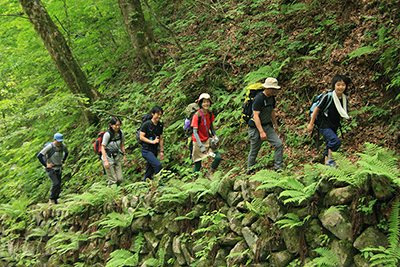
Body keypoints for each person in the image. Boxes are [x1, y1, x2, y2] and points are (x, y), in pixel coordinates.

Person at [307, 74, 351, 167]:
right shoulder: (328, 96)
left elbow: (342, 111)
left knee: (329, 145)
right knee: (335, 141)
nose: (340, 87)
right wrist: (311, 124)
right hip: (323, 124)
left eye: (343, 85)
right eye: (338, 84)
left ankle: (326, 169)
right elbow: (316, 109)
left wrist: (346, 119)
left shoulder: (344, 98)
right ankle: (331, 163)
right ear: (334, 85)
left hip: (334, 125)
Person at [247, 77, 283, 174]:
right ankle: (250, 170)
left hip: (267, 126)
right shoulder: (258, 98)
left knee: (279, 144)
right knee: (255, 150)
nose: (274, 91)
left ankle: (279, 168)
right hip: (255, 128)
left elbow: (271, 111)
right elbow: (256, 116)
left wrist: (275, 124)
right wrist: (261, 132)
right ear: (267, 88)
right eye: (272, 89)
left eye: (275, 89)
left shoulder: (271, 98)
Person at [191, 93, 221, 180]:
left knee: (217, 157)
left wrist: (215, 135)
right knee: (198, 165)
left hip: (207, 142)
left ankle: (210, 173)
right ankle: (193, 184)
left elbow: (211, 126)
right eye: (204, 102)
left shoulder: (210, 113)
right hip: (198, 143)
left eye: (207, 102)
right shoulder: (197, 116)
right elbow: (195, 132)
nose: (206, 104)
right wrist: (201, 146)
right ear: (200, 103)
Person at [37, 133, 69, 204]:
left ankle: (55, 200)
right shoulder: (49, 147)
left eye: (61, 141)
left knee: (59, 184)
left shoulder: (63, 146)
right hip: (51, 168)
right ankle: (51, 199)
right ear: (54, 140)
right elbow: (39, 156)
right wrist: (46, 165)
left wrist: (62, 161)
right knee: (55, 183)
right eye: (58, 142)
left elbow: (66, 153)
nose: (59, 143)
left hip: (58, 167)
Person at [140, 106, 165, 182]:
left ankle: (145, 185)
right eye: (157, 114)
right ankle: (160, 183)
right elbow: (141, 137)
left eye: (160, 114)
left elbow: (161, 138)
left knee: (149, 169)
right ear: (152, 114)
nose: (159, 116)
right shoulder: (146, 124)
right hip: (146, 150)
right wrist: (152, 142)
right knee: (157, 165)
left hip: (154, 150)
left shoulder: (160, 125)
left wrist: (161, 151)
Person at [101, 116, 127, 187]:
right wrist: (106, 161)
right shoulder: (107, 134)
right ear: (111, 125)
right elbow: (102, 148)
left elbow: (122, 145)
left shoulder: (121, 133)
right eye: (116, 125)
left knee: (120, 179)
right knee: (113, 180)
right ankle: (111, 195)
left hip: (117, 157)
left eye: (119, 125)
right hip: (108, 158)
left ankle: (112, 191)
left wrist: (124, 156)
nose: (117, 127)